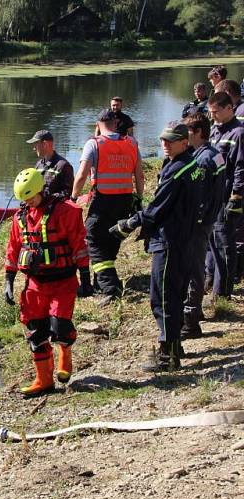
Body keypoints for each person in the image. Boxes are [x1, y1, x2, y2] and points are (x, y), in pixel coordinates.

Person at [110, 122, 203, 372]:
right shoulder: (192, 164)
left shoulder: (178, 170)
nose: (164, 144)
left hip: (170, 242)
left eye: (170, 140)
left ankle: (168, 356)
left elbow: (156, 210)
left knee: (162, 299)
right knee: (175, 294)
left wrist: (127, 224)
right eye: (163, 140)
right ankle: (176, 345)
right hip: (185, 239)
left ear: (184, 142)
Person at [4, 168, 91, 396]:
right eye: (24, 199)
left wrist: (85, 277)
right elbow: (13, 250)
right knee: (36, 332)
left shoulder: (65, 212)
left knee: (60, 327)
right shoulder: (20, 219)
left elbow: (79, 245)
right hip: (35, 285)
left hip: (62, 282)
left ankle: (65, 353)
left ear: (42, 189)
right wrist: (8, 280)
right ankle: (44, 380)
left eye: (31, 197)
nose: (29, 202)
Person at [72, 108, 144, 302]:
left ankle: (111, 288)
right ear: (115, 124)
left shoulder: (94, 144)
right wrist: (139, 197)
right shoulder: (131, 143)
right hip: (125, 200)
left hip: (103, 200)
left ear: (98, 125)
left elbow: (81, 175)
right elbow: (139, 174)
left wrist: (73, 197)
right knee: (111, 239)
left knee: (92, 240)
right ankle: (99, 283)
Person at [182, 113, 226, 339]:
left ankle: (190, 319)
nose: (184, 137)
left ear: (198, 132)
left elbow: (199, 196)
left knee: (193, 269)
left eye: (187, 133)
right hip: (210, 218)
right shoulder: (215, 154)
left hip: (199, 223)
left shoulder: (201, 160)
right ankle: (194, 311)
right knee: (198, 266)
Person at [206, 91, 244, 298]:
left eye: (216, 112)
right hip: (212, 197)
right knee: (210, 243)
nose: (213, 116)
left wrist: (236, 197)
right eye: (210, 112)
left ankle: (223, 293)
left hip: (227, 197)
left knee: (224, 245)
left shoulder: (238, 133)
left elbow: (240, 168)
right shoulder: (215, 131)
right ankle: (210, 280)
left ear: (229, 108)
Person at [26, 129, 75, 197]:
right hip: (39, 206)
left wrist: (47, 198)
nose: (34, 148)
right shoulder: (38, 164)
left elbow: (69, 193)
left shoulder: (63, 166)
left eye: (36, 144)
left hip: (55, 207)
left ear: (45, 144)